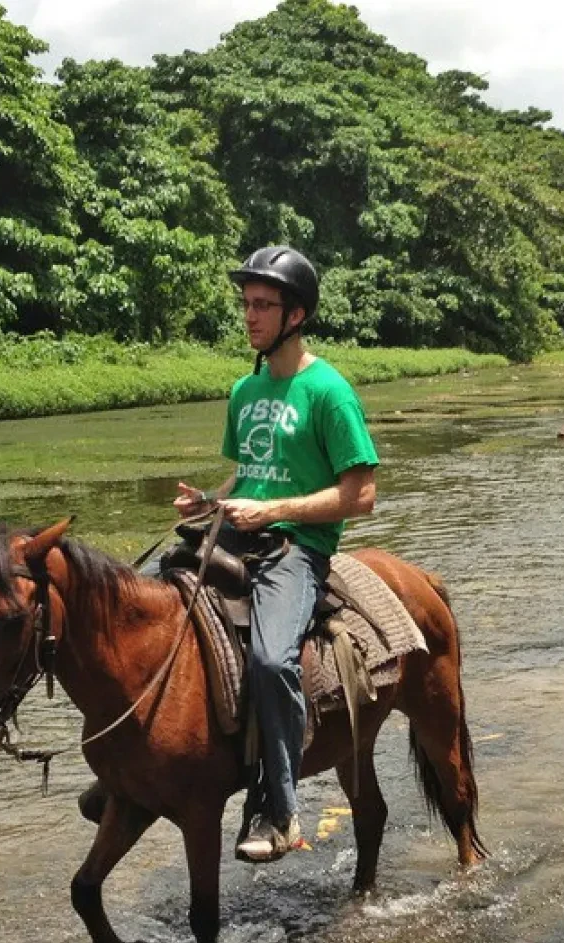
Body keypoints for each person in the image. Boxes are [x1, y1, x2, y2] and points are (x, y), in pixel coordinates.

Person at [171, 245, 380, 862]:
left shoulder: (328, 391)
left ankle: (282, 809)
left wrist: (274, 512)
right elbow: (251, 473)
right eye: (246, 303)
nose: (250, 315)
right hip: (237, 534)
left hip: (297, 549)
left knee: (269, 658)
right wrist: (209, 500)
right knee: (150, 608)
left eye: (263, 305)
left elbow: (361, 495)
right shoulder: (245, 389)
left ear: (296, 315)